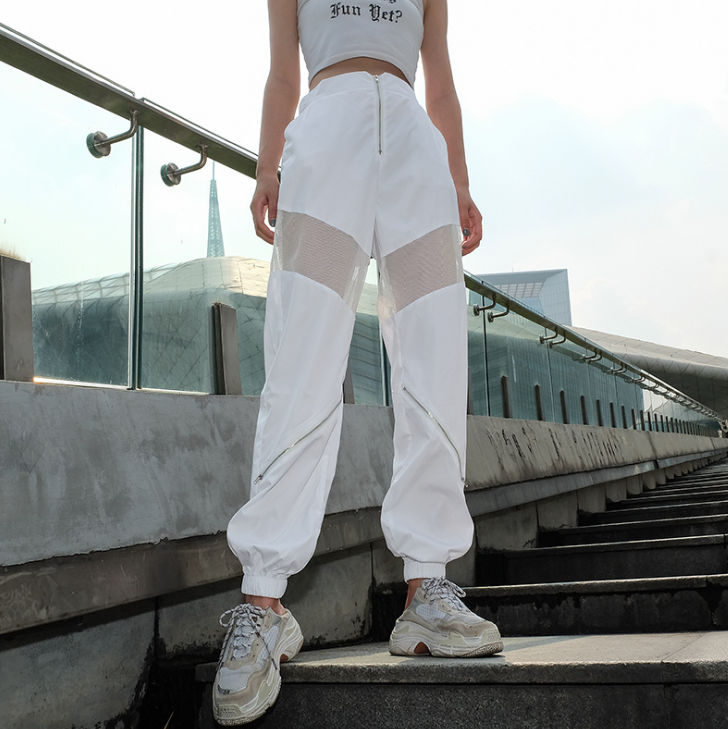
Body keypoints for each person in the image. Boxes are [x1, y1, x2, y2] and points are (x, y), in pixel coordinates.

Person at [212, 0, 503, 724]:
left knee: (435, 358)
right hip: (327, 135)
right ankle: (264, 603)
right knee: (302, 358)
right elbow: (283, 73)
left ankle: (427, 587)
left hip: (414, 146)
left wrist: (460, 179)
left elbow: (442, 84)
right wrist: (268, 165)